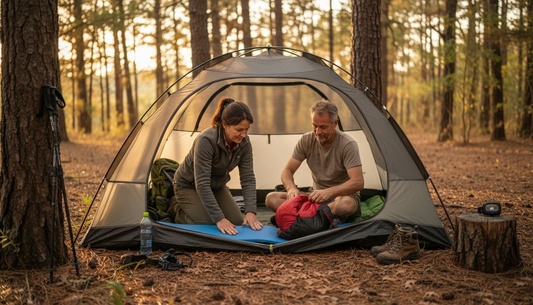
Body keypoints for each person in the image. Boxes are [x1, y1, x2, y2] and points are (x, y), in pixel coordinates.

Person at [169, 97, 263, 235]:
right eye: (239, 130)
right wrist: (219, 218)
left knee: (236, 222)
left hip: (217, 185)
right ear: (224, 125)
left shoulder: (245, 143)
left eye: (247, 129)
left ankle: (206, 211)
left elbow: (248, 177)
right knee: (209, 225)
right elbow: (201, 183)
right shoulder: (206, 140)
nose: (243, 134)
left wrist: (250, 211)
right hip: (188, 185)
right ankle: (176, 208)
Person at [265, 99, 364, 222]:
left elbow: (358, 182)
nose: (318, 132)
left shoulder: (347, 144)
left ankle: (300, 216)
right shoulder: (306, 140)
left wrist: (329, 192)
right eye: (314, 126)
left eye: (323, 127)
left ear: (335, 123)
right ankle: (315, 217)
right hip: (314, 198)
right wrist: (291, 189)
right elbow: (287, 171)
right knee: (271, 199)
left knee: (346, 205)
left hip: (340, 198)